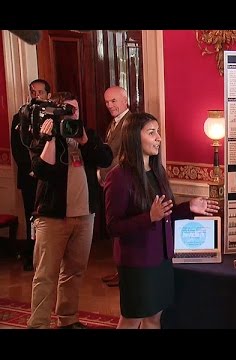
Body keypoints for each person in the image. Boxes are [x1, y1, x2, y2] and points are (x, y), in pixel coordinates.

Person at [104, 112, 219, 329]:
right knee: (132, 318)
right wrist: (148, 217)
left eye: (158, 132)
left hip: (162, 259)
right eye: (151, 132)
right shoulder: (119, 176)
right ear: (133, 137)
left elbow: (165, 214)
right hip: (137, 263)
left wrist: (189, 207)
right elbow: (112, 227)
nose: (159, 138)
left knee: (154, 319)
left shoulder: (157, 171)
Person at [27, 92, 113, 329]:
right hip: (52, 217)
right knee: (45, 275)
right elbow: (42, 171)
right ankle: (39, 324)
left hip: (85, 216)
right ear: (55, 111)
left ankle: (67, 319)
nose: (72, 114)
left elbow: (106, 159)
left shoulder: (88, 135)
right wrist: (51, 139)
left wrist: (84, 139)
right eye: (66, 109)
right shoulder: (41, 138)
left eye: (75, 110)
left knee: (74, 271)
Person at [10, 79, 51, 271]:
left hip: (49, 177)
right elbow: (18, 150)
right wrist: (32, 169)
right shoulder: (19, 118)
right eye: (33, 92)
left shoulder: (52, 117)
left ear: (48, 95)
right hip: (29, 176)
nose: (36, 96)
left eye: (40, 92)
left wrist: (42, 168)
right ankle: (31, 255)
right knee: (31, 216)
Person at [99, 86, 131, 287]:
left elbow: (126, 157)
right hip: (110, 182)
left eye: (114, 101)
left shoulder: (130, 123)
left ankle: (125, 273)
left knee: (122, 229)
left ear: (125, 100)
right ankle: (119, 270)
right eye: (107, 102)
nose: (110, 105)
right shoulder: (114, 123)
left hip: (122, 185)